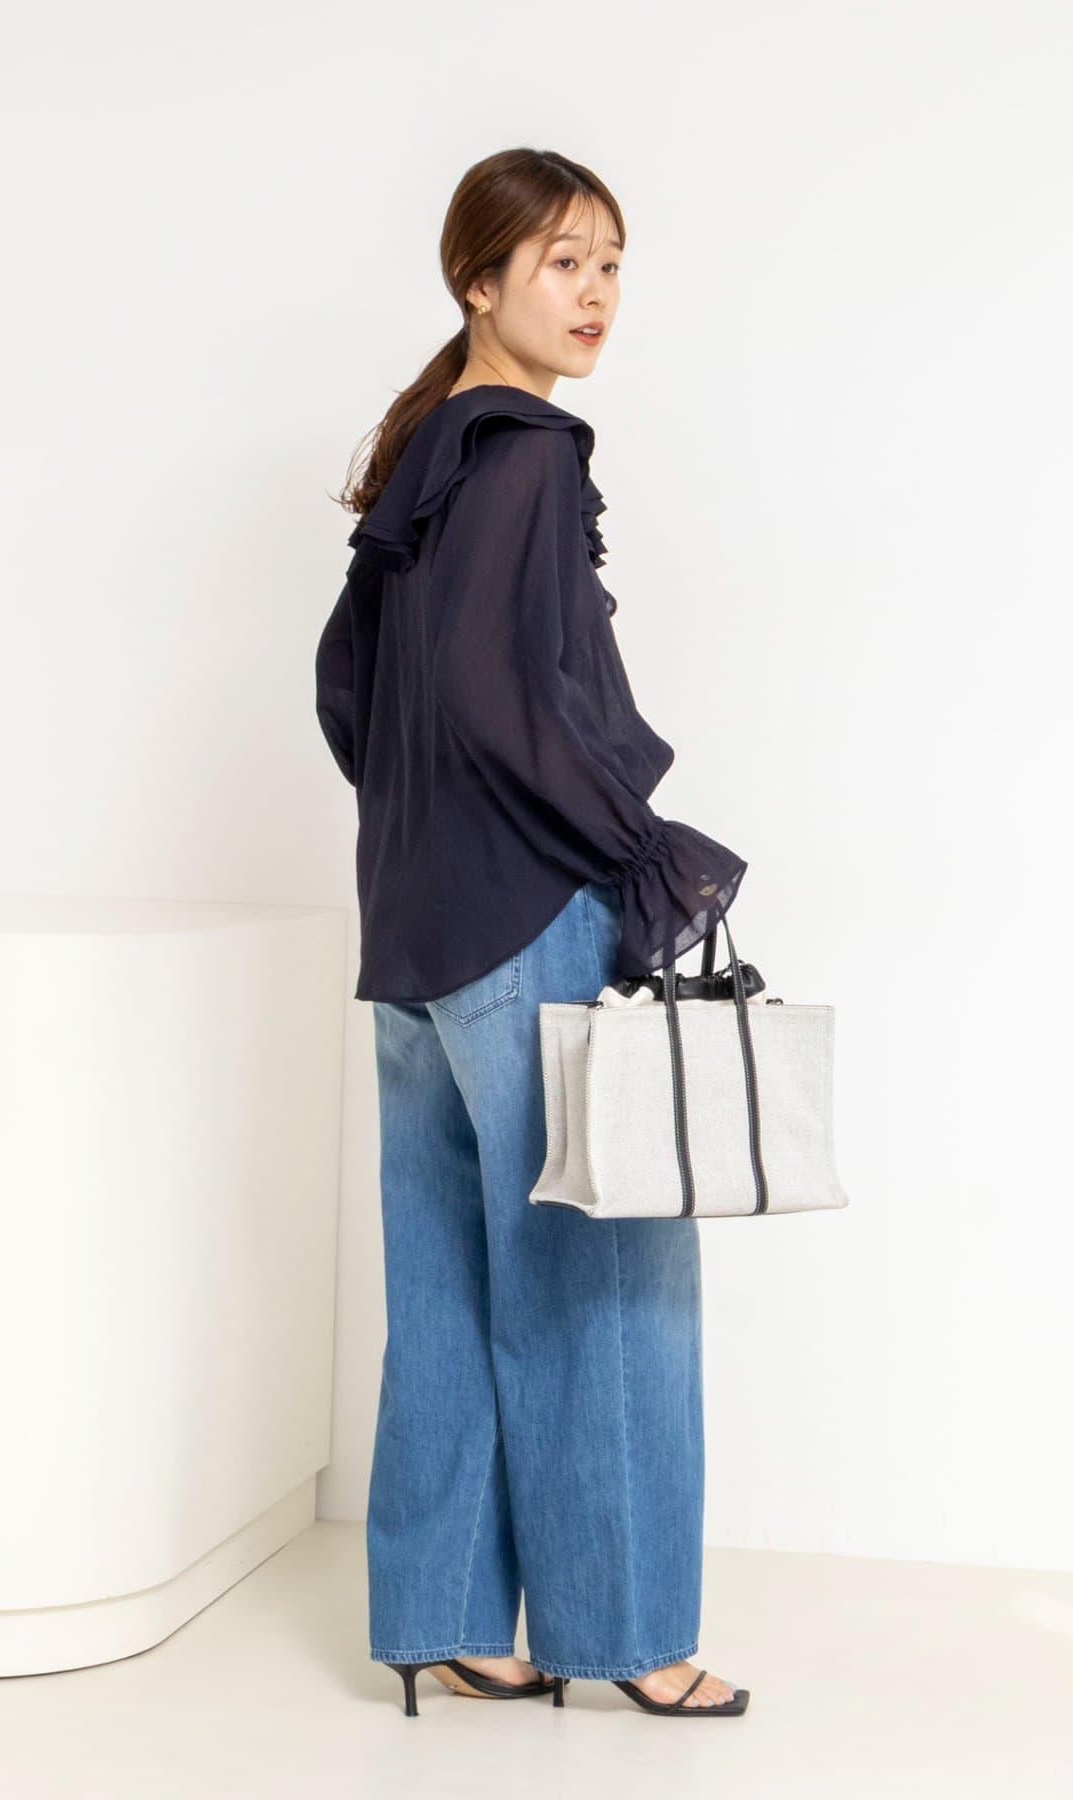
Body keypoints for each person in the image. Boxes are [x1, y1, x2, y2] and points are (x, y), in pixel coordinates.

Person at [314, 147, 751, 1721]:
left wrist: (427, 827)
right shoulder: (528, 453)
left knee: (444, 1285)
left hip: (412, 933)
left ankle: (444, 1614)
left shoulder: (424, 457)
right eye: (563, 262)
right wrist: (634, 848)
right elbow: (514, 704)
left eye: (612, 264)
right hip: (522, 925)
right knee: (600, 1279)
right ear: (479, 281)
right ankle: (629, 1633)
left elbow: (349, 691)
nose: (596, 294)